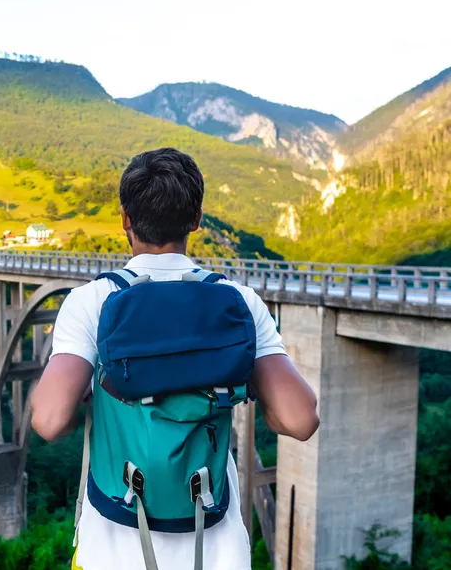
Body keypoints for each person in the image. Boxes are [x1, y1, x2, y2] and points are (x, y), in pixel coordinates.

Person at [30, 147, 319, 570]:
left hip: (112, 550)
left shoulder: (92, 302)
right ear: (196, 219)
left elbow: (49, 420)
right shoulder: (240, 303)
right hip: (215, 550)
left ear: (125, 219)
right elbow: (300, 419)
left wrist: (88, 404)